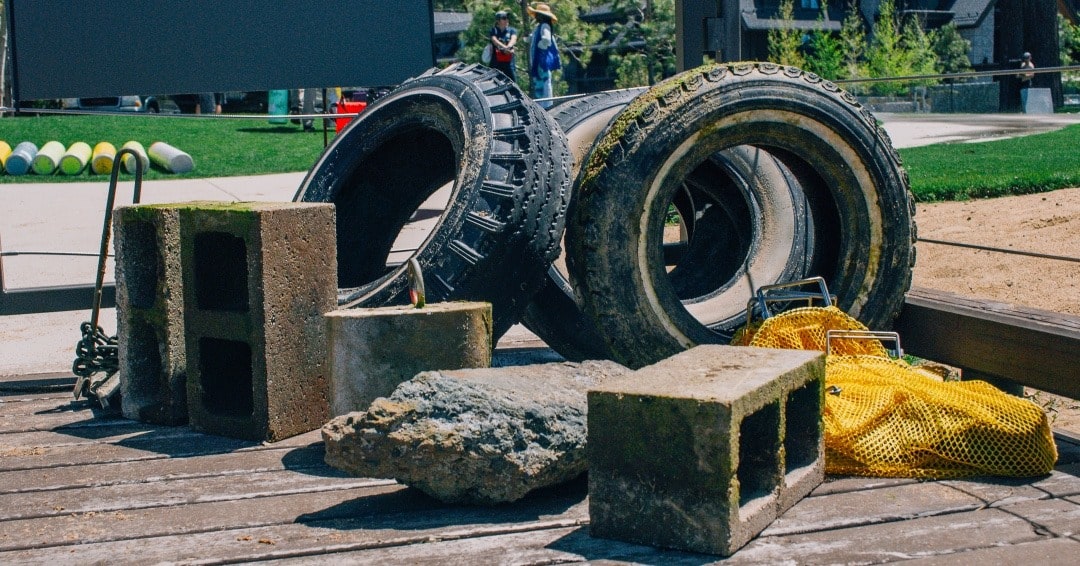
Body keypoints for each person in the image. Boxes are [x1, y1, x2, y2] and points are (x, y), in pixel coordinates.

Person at [527, 3, 560, 108]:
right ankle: (542, 105)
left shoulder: (545, 26)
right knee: (540, 83)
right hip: (539, 60)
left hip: (542, 59)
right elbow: (534, 37)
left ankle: (546, 105)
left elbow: (546, 39)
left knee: (544, 83)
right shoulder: (539, 26)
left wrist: (541, 45)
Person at [489, 11, 518, 82]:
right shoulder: (494, 30)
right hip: (496, 63)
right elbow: (494, 40)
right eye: (504, 18)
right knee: (493, 82)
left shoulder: (512, 30)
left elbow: (514, 39)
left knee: (513, 82)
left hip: (509, 63)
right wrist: (504, 48)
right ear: (498, 21)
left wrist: (509, 46)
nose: (507, 20)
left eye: (507, 18)